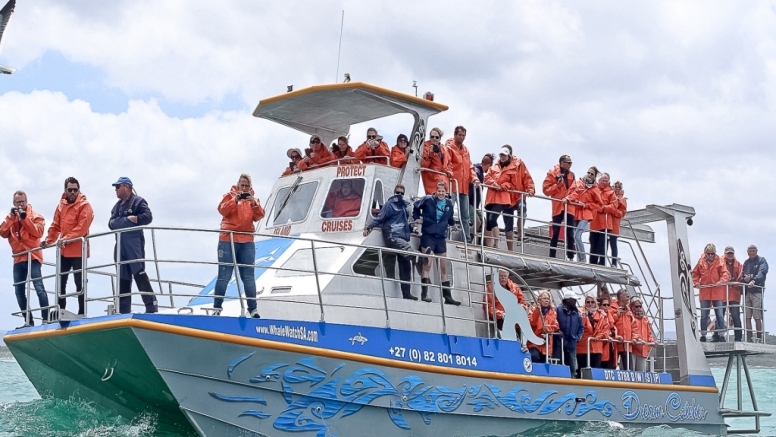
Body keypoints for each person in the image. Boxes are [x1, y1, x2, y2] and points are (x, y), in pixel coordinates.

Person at [214, 174, 265, 317]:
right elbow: (222, 210)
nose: (243, 188)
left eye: (246, 186)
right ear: (237, 184)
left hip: (247, 240)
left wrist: (254, 203)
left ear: (250, 187)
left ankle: (253, 310)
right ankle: (217, 308)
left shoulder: (254, 200)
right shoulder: (228, 196)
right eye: (241, 185)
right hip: (227, 238)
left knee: (248, 276)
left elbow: (259, 216)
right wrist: (234, 200)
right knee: (224, 275)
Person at [43, 177, 94, 316]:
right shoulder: (61, 205)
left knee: (80, 283)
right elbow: (55, 225)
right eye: (70, 190)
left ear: (79, 190)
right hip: (64, 252)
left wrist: (65, 239)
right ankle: (61, 310)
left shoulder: (85, 205)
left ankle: (82, 312)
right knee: (60, 282)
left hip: (78, 251)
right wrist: (48, 241)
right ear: (65, 190)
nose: (72, 192)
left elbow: (82, 227)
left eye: (75, 190)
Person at [108, 177, 158, 314]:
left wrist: (136, 219)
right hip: (120, 245)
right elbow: (111, 224)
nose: (116, 190)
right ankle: (123, 310)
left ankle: (151, 305)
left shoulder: (138, 202)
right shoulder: (117, 206)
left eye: (118, 187)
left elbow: (148, 217)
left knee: (139, 272)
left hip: (134, 243)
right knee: (123, 277)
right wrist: (127, 221)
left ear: (127, 187)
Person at [0, 191, 48, 326]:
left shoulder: (36, 216)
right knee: (19, 291)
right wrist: (11, 217)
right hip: (18, 258)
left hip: (32, 256)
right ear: (13, 203)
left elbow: (37, 232)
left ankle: (46, 318)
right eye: (17, 202)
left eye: (22, 201)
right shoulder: (10, 218)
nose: (20, 204)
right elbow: (2, 232)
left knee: (39, 287)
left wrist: (24, 218)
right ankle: (29, 321)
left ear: (26, 201)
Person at [364, 184, 417, 300]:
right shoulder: (389, 205)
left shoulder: (404, 208)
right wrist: (369, 227)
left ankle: (406, 294)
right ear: (394, 192)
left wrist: (415, 230)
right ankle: (418, 258)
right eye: (398, 192)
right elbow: (380, 218)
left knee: (405, 266)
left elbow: (405, 224)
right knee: (403, 255)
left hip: (400, 237)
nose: (399, 195)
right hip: (393, 236)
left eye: (402, 193)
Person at [413, 180, 459, 305]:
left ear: (446, 192)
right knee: (427, 264)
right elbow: (416, 207)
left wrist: (453, 225)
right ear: (436, 190)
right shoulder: (428, 200)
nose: (440, 193)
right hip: (428, 235)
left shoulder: (449, 203)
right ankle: (425, 294)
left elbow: (449, 218)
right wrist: (417, 218)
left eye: (443, 191)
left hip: (441, 237)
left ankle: (447, 297)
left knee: (443, 268)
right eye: (439, 191)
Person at [445, 126, 478, 243]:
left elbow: (470, 167)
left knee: (465, 215)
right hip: (452, 185)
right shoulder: (449, 147)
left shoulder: (466, 151)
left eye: (464, 135)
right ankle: (445, 235)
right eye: (460, 135)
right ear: (455, 135)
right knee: (448, 211)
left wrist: (474, 178)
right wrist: (449, 172)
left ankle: (467, 239)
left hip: (464, 187)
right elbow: (447, 162)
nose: (462, 137)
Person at [692, 243, 730, 342]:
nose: (710, 256)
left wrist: (721, 281)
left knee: (720, 314)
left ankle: (721, 335)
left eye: (712, 254)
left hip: (717, 292)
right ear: (705, 253)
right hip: (705, 292)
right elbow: (695, 274)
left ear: (714, 253)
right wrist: (696, 283)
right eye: (708, 254)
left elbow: (725, 273)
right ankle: (703, 335)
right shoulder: (700, 262)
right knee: (704, 315)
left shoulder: (720, 262)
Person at [484, 147, 518, 249]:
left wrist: (502, 186)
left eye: (504, 155)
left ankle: (496, 244)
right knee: (488, 222)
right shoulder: (494, 167)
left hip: (502, 198)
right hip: (491, 198)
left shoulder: (512, 169)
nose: (502, 157)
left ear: (508, 156)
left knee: (492, 218)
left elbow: (512, 184)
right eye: (501, 155)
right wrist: (494, 184)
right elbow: (486, 178)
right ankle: (488, 245)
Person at [543, 155, 576, 260]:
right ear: (561, 163)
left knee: (570, 231)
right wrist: (557, 186)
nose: (570, 165)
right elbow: (546, 190)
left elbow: (575, 190)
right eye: (568, 163)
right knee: (555, 231)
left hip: (569, 206)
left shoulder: (572, 175)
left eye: (571, 163)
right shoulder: (552, 174)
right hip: (558, 206)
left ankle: (570, 256)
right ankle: (552, 255)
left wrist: (569, 197)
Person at [502, 145, 535, 249]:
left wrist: (530, 189)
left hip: (518, 195)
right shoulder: (499, 165)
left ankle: (520, 234)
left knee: (522, 210)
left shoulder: (519, 163)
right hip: (506, 197)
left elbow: (527, 177)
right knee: (508, 223)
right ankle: (510, 249)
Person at [567, 167, 601, 262]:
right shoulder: (579, 182)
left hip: (586, 214)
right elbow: (572, 193)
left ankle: (582, 258)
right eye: (588, 172)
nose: (589, 175)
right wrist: (576, 201)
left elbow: (599, 204)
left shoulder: (595, 189)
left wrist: (586, 205)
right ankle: (579, 258)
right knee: (574, 235)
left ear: (594, 177)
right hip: (576, 212)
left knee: (577, 235)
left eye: (592, 174)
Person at [576, 293, 610, 376]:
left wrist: (598, 337)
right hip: (583, 346)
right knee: (582, 370)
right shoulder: (579, 313)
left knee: (595, 371)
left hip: (597, 347)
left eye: (592, 302)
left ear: (595, 303)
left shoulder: (602, 315)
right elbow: (578, 328)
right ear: (585, 303)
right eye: (588, 302)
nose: (590, 304)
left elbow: (606, 329)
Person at [742, 245, 768, 342]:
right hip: (747, 292)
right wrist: (744, 279)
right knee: (747, 316)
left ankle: (759, 338)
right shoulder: (746, 262)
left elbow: (762, 272)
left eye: (753, 251)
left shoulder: (762, 260)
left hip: (757, 291)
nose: (752, 252)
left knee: (757, 316)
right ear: (747, 252)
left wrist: (753, 280)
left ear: (756, 251)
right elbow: (742, 274)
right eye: (750, 251)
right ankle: (749, 338)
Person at [589, 173, 616, 266]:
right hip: (594, 221)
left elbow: (613, 206)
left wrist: (604, 208)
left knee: (603, 245)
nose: (604, 182)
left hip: (605, 223)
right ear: (598, 180)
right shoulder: (593, 190)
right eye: (602, 180)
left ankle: (602, 263)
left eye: (606, 181)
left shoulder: (611, 193)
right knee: (593, 243)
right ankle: (592, 263)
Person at [555, 290, 583, 377]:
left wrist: (577, 338)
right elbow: (553, 322)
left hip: (572, 342)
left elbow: (581, 327)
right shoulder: (558, 310)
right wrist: (557, 330)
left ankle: (572, 379)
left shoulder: (577, 313)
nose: (575, 301)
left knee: (572, 366)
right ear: (568, 300)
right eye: (573, 299)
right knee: (558, 363)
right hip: (559, 342)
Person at [527, 290, 559, 363]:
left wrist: (547, 328)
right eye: (544, 298)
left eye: (548, 298)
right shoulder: (532, 309)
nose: (546, 300)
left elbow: (555, 326)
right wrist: (537, 312)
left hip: (546, 344)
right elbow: (532, 323)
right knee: (534, 357)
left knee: (545, 362)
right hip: (534, 341)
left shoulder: (553, 312)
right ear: (539, 299)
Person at [420, 127, 453, 195]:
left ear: (440, 138)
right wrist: (430, 154)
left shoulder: (443, 148)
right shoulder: (425, 147)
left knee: (444, 203)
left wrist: (449, 172)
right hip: (432, 182)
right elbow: (423, 164)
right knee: (432, 203)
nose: (434, 139)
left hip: (444, 183)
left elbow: (449, 163)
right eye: (432, 137)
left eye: (436, 137)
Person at [721, 246, 744, 341]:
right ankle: (719, 336)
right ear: (725, 254)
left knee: (735, 316)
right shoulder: (719, 264)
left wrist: (735, 282)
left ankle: (738, 337)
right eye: (728, 253)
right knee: (720, 315)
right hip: (722, 294)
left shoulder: (739, 264)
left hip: (734, 294)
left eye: (731, 253)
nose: (730, 255)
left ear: (733, 254)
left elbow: (741, 275)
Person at [469, 154, 491, 243]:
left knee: (484, 222)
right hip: (470, 201)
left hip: (474, 204)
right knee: (477, 221)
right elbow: (474, 175)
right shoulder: (477, 170)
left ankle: (487, 245)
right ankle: (468, 240)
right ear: (488, 165)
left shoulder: (478, 170)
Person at [612, 289, 636, 369]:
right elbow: (609, 323)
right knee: (612, 367)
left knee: (629, 369)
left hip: (627, 344)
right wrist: (617, 314)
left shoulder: (629, 311)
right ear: (621, 297)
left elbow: (634, 326)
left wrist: (634, 338)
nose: (628, 298)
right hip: (614, 344)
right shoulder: (611, 308)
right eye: (627, 296)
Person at [630, 297, 655, 372]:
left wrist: (652, 341)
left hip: (643, 350)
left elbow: (649, 333)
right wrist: (637, 339)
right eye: (636, 306)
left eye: (640, 306)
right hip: (632, 349)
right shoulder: (629, 317)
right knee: (630, 372)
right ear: (632, 307)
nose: (639, 308)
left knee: (642, 374)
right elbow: (629, 331)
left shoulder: (645, 319)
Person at [609, 181, 627, 267]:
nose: (616, 188)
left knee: (613, 244)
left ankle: (614, 263)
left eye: (618, 187)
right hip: (607, 222)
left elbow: (622, 212)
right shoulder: (610, 196)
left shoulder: (622, 200)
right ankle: (602, 261)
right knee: (604, 243)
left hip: (614, 223)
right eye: (615, 187)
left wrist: (614, 211)